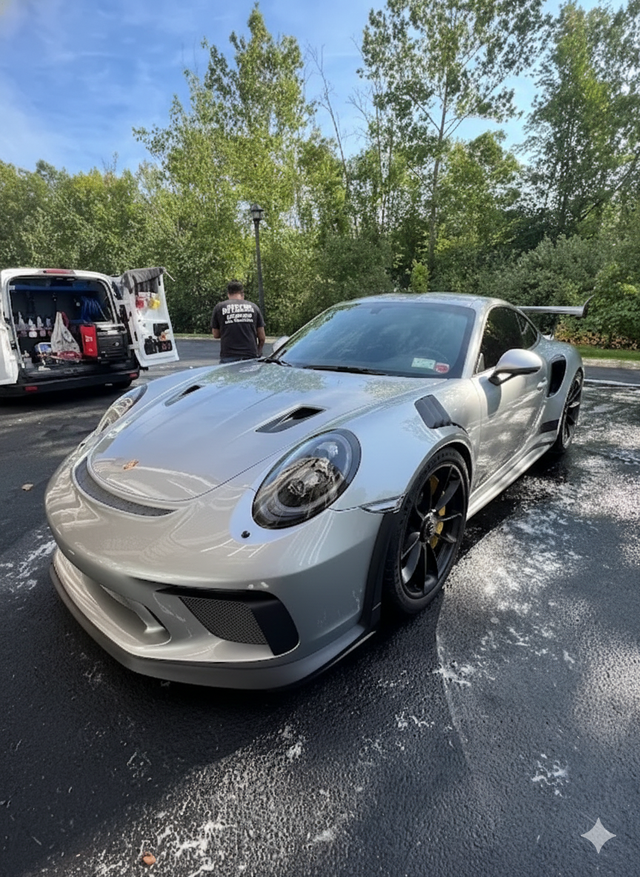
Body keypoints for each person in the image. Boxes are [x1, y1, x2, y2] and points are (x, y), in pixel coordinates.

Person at [211, 280, 265, 364]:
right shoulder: (254, 307)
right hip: (250, 355)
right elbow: (262, 337)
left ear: (228, 293)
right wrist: (259, 351)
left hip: (229, 355)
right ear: (242, 293)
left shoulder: (220, 307)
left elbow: (216, 334)